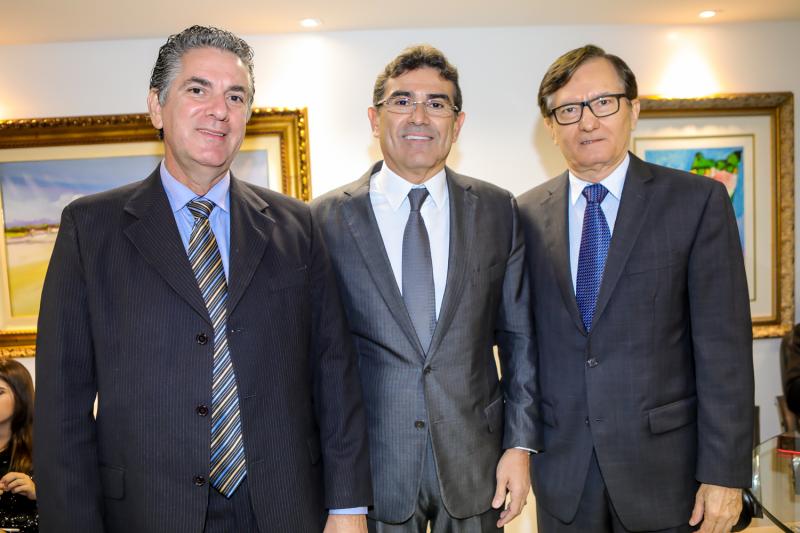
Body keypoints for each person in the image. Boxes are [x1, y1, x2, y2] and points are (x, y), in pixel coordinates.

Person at [34, 25, 371, 533]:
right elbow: (62, 406)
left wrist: (348, 508)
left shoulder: (297, 225)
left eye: (236, 96)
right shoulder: (91, 228)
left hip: (284, 508)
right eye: (198, 89)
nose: (220, 110)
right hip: (146, 511)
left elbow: (334, 373)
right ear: (156, 107)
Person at [517, 44, 754, 533]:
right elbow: (520, 344)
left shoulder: (697, 202)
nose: (587, 121)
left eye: (603, 102)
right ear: (551, 126)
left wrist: (725, 475)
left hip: (669, 474)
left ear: (633, 109)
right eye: (568, 109)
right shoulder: (522, 214)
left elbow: (725, 351)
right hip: (563, 473)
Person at [311, 45, 540, 533]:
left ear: (457, 124)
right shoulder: (323, 219)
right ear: (374, 119)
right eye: (402, 101)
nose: (419, 116)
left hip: (477, 463)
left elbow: (520, 340)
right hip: (371, 468)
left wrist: (519, 446)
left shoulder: (497, 210)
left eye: (437, 103)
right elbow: (314, 358)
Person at [0, 360, 37, 533]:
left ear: (21, 396)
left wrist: (37, 493)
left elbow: (74, 506)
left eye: (0, 392)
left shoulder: (45, 450)